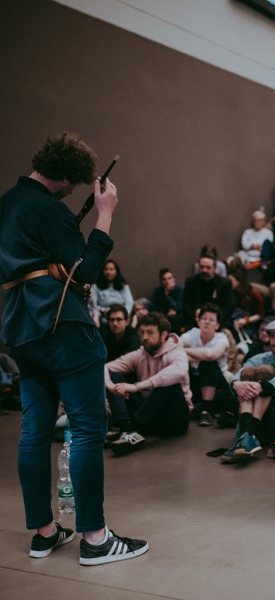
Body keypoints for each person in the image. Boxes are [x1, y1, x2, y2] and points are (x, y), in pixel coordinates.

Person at [0, 133, 147, 564]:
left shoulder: (6, 203)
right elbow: (86, 273)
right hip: (62, 325)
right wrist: (104, 215)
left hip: (21, 327)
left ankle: (44, 532)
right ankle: (96, 540)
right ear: (63, 176)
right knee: (86, 429)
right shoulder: (49, 209)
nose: (73, 192)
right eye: (73, 184)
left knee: (33, 431)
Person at [221, 319, 275, 464]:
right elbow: (241, 372)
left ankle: (249, 433)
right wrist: (236, 384)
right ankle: (247, 436)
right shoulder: (259, 358)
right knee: (248, 371)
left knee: (265, 371)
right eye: (272, 336)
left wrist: (264, 386)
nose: (274, 341)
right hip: (264, 423)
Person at [105, 312, 191, 450]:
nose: (144, 337)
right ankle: (126, 430)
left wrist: (136, 387)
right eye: (142, 332)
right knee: (114, 375)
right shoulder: (140, 353)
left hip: (174, 421)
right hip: (147, 417)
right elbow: (106, 368)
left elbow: (179, 372)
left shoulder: (176, 352)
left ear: (164, 335)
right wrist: (110, 386)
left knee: (169, 382)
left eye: (150, 333)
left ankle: (134, 429)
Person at [180, 303, 231, 427]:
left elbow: (211, 355)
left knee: (207, 364)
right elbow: (175, 345)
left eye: (211, 320)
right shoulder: (193, 333)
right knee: (181, 365)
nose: (207, 322)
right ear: (198, 321)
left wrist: (184, 351)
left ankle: (206, 410)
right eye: (204, 319)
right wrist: (185, 353)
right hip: (197, 382)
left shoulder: (221, 337)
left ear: (217, 325)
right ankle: (190, 406)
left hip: (218, 384)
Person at [182, 253, 234, 329]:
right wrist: (198, 319)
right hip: (195, 321)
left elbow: (229, 307)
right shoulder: (191, 281)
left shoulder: (225, 283)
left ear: (214, 269)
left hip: (217, 322)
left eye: (208, 267)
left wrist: (214, 318)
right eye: (201, 267)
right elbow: (186, 305)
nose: (204, 270)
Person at [89, 259, 134, 329]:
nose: (109, 272)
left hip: (121, 315)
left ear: (116, 271)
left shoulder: (124, 286)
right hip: (103, 316)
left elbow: (129, 302)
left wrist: (123, 314)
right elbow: (93, 304)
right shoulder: (95, 287)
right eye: (106, 269)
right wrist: (102, 311)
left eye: (111, 269)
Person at [151, 268, 184, 332]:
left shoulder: (180, 290)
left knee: (173, 318)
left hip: (177, 317)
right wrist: (166, 293)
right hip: (162, 316)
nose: (167, 282)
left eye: (169, 278)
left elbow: (178, 307)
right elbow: (156, 308)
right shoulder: (158, 291)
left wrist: (168, 296)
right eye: (164, 279)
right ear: (161, 282)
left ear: (173, 279)